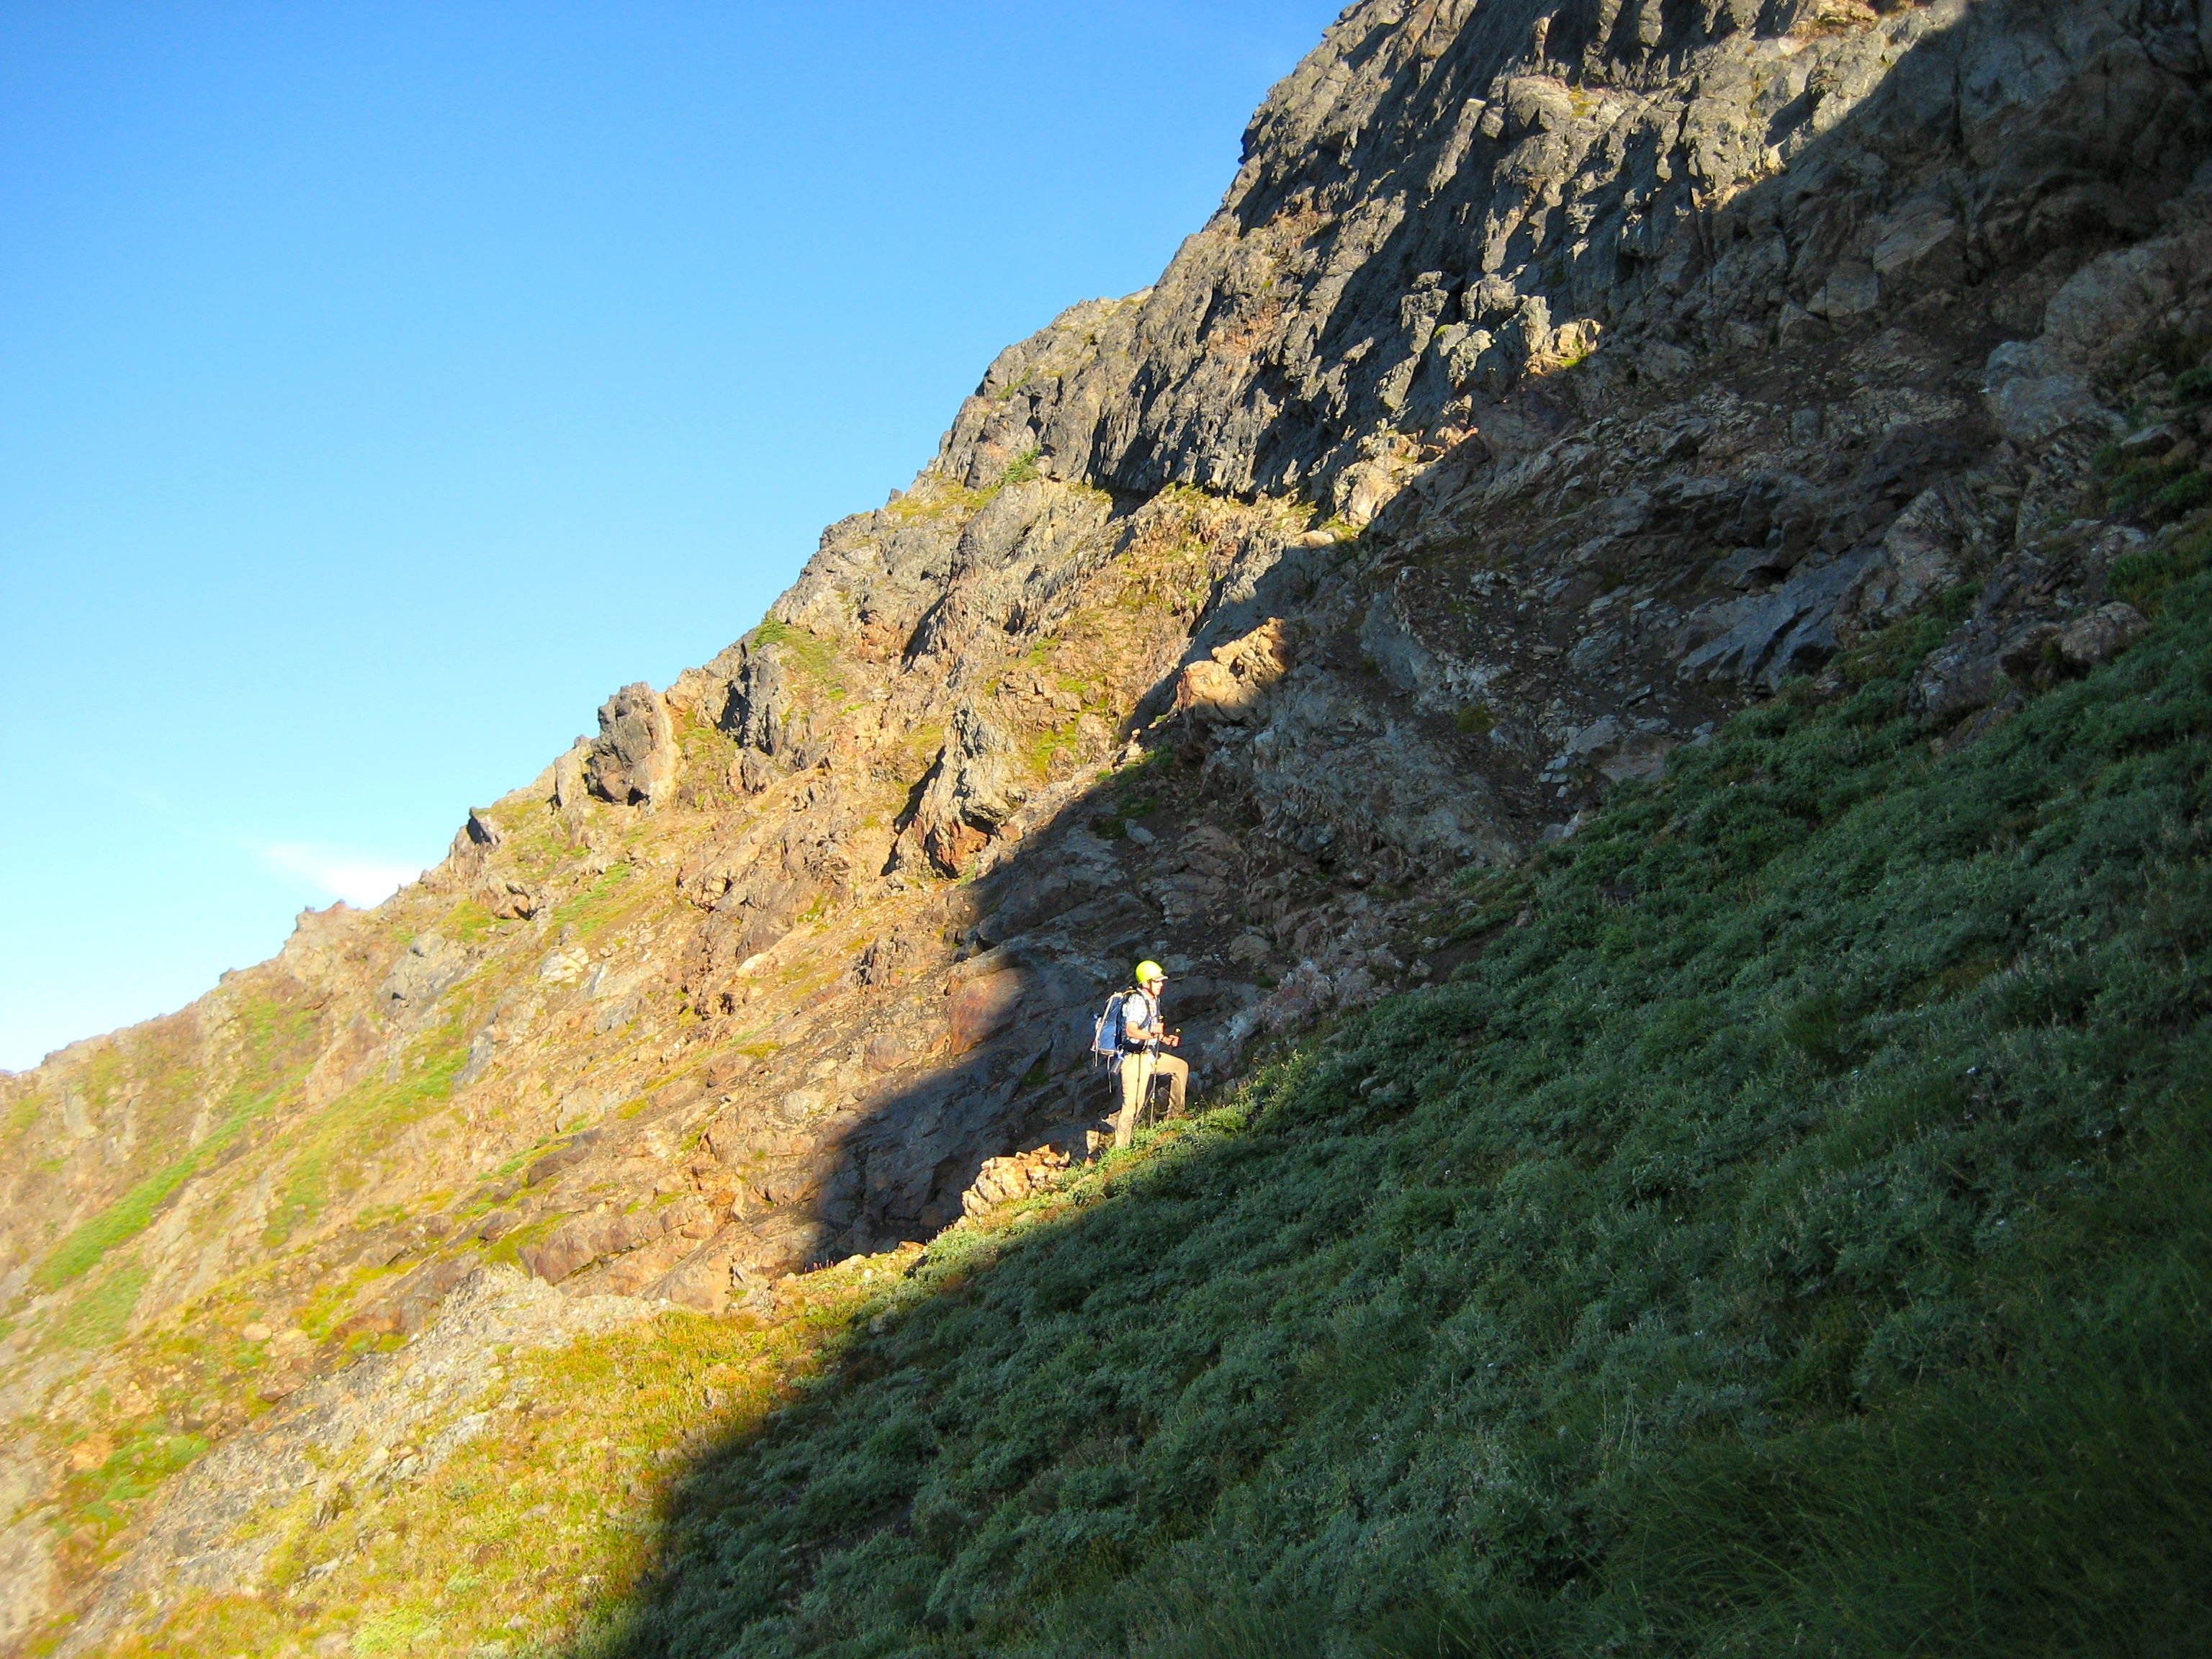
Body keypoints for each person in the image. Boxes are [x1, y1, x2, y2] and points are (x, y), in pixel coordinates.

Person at [1115, 960, 1188, 1148]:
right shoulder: (1137, 1001)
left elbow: (1151, 1028)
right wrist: (1152, 1035)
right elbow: (1131, 1031)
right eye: (1157, 981)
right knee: (1133, 1107)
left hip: (1149, 1055)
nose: (1161, 984)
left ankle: (1175, 1116)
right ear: (1146, 983)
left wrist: (1164, 1039)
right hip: (1135, 1059)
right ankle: (1120, 1149)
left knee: (1180, 1067)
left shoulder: (1153, 1000)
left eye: (1161, 981)